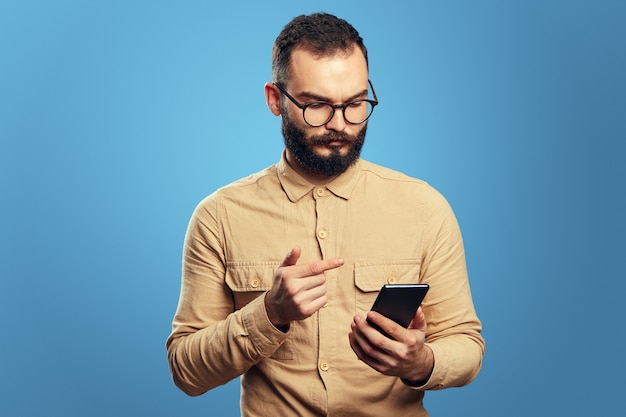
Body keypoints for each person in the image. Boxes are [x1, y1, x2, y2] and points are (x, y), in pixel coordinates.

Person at [166, 12, 485, 417]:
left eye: (355, 104)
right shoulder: (218, 217)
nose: (339, 125)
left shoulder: (425, 209)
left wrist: (420, 363)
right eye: (317, 105)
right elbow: (186, 371)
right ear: (275, 99)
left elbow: (467, 345)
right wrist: (270, 313)